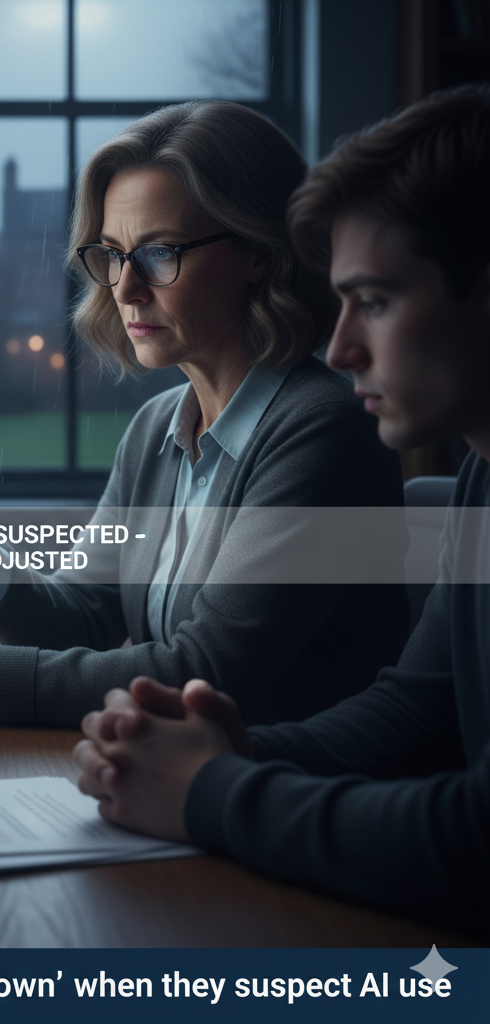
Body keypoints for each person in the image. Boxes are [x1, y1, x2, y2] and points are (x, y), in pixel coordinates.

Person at [0, 100, 410, 728]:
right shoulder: (155, 429)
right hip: (169, 784)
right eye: (112, 254)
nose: (125, 288)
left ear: (260, 253)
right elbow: (85, 613)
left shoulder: (325, 428)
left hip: (284, 801)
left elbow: (204, 673)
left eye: (160, 253)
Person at [73, 84, 490, 932]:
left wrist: (216, 788)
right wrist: (223, 751)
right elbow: (421, 710)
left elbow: (472, 836)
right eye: (110, 256)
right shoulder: (485, 478)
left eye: (372, 301)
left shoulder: (318, 423)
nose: (338, 347)